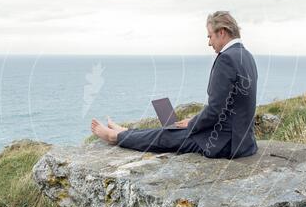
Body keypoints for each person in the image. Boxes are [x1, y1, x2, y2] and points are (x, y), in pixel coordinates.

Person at [91, 11, 258, 159]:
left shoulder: (226, 59)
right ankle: (124, 132)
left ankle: (115, 137)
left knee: (166, 136)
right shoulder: (247, 56)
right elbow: (228, 106)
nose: (209, 43)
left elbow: (215, 110)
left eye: (210, 36)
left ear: (221, 32)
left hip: (222, 142)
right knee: (171, 129)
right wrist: (193, 121)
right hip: (242, 142)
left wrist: (192, 124)